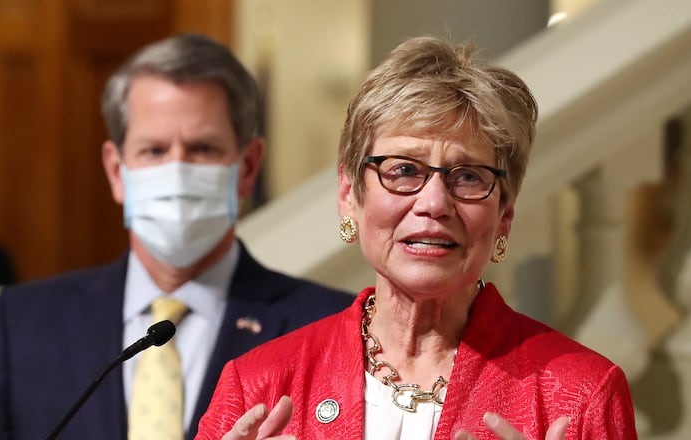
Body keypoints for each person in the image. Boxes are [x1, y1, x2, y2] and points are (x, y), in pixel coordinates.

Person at [196, 36, 637, 439]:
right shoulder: (259, 383)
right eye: (404, 170)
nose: (434, 203)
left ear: (505, 214)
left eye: (468, 176)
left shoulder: (582, 394)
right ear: (350, 195)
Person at [0, 33, 353, 440]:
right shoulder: (26, 321)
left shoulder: (330, 327)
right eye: (153, 150)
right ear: (117, 171)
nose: (177, 170)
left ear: (248, 167)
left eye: (202, 148)